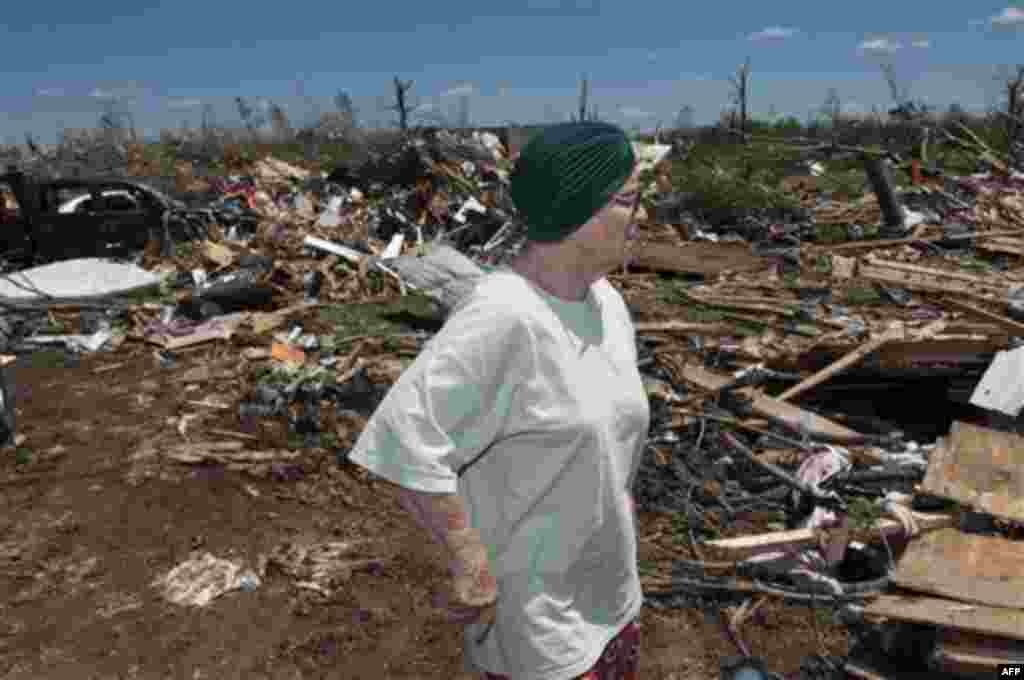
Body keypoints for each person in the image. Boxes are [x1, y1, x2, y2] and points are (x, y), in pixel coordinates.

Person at [348, 121, 651, 680]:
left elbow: (609, 439)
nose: (644, 217)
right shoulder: (504, 316)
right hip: (540, 632)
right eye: (629, 200)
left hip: (613, 598)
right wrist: (469, 559)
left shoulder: (607, 304)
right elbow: (403, 437)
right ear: (576, 210)